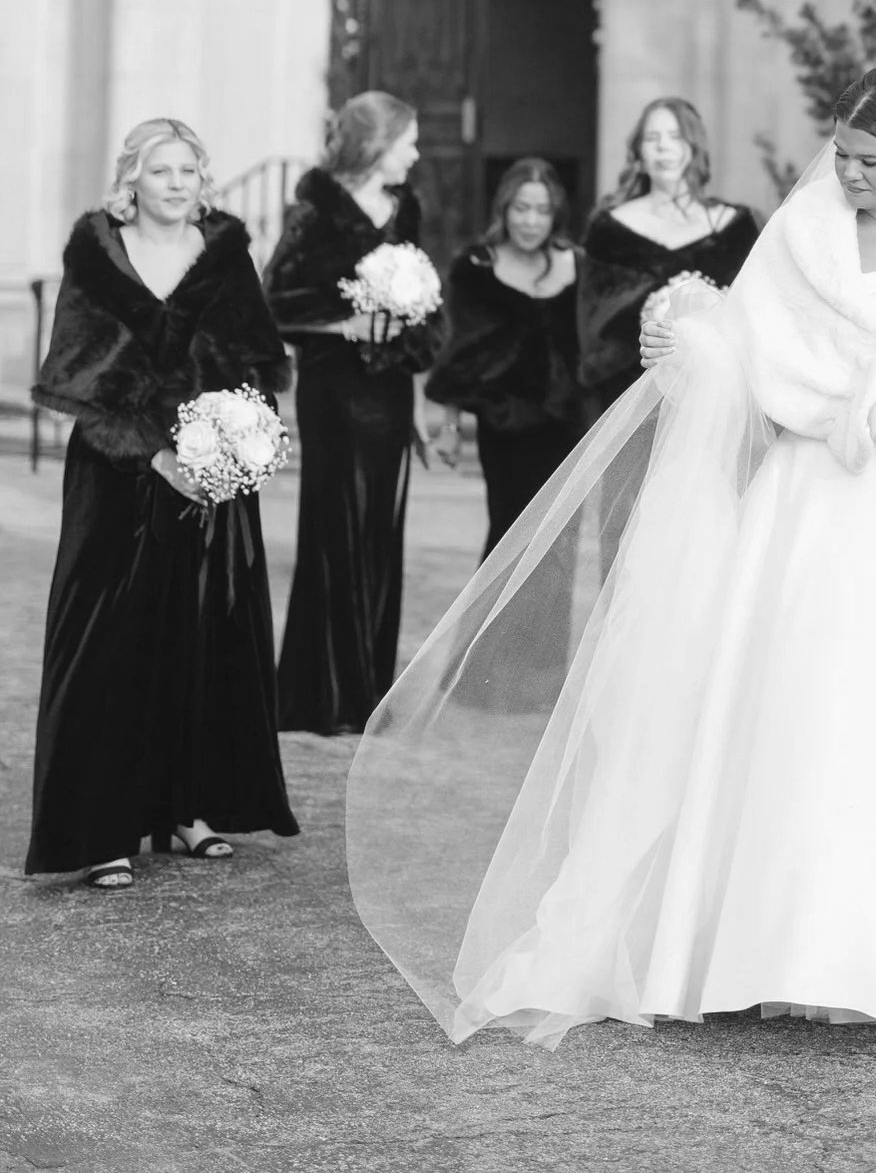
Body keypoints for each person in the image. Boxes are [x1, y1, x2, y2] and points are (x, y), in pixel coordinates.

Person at [345, 57, 876, 1044]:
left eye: (871, 160)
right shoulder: (802, 231)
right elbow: (749, 350)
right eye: (840, 154)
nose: (850, 173)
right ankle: (779, 942)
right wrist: (693, 346)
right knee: (806, 716)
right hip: (816, 495)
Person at [27, 119, 297, 888]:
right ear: (131, 181)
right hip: (119, 475)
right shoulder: (95, 259)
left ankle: (187, 807)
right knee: (109, 644)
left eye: (189, 170)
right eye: (161, 170)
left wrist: (236, 440)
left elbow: (257, 362)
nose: (177, 183)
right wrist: (157, 456)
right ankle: (102, 828)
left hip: (212, 480)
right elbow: (78, 381)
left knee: (203, 633)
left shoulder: (224, 255)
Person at [266, 92, 443, 735]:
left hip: (390, 389)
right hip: (333, 388)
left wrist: (418, 398)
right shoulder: (316, 209)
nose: (416, 153)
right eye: (408, 141)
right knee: (334, 525)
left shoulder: (407, 207)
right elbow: (278, 299)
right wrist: (348, 320)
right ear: (377, 143)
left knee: (380, 531)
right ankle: (322, 693)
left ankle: (368, 688)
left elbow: (422, 306)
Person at [428, 160, 582, 558]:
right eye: (521, 208)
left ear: (556, 215)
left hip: (568, 427)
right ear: (504, 210)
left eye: (542, 211)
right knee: (508, 535)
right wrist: (449, 426)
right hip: (504, 429)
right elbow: (460, 353)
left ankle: (552, 624)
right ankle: (496, 622)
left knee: (559, 542)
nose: (531, 221)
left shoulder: (578, 266)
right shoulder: (476, 267)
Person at [576, 99, 758, 423]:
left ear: (695, 146)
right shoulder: (609, 230)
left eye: (675, 136)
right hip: (630, 398)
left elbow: (756, 316)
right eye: (652, 138)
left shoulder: (738, 227)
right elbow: (593, 330)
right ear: (639, 154)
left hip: (716, 402)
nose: (664, 148)